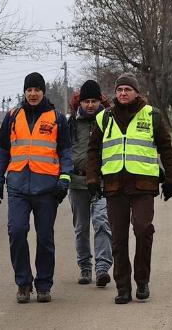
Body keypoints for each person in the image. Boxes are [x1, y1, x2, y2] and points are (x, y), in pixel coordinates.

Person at [85, 73, 172, 305]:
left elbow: (166, 148)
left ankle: (142, 281)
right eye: (119, 90)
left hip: (143, 186)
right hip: (115, 186)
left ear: (136, 92)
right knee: (118, 238)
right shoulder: (104, 119)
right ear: (115, 94)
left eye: (127, 89)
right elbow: (93, 151)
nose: (123, 93)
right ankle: (123, 288)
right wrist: (92, 180)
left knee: (143, 229)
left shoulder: (152, 116)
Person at [0, 72, 73, 304]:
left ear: (43, 92)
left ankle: (44, 284)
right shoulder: (12, 116)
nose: (33, 93)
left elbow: (65, 153)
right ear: (24, 92)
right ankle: (23, 283)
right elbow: (1, 151)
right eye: (29, 90)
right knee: (16, 232)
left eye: (37, 89)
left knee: (45, 238)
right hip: (17, 186)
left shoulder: (57, 118)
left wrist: (64, 180)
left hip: (47, 189)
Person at [67, 80, 113, 287]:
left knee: (102, 223)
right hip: (77, 182)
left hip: (103, 181)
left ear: (100, 101)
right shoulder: (71, 124)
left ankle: (102, 267)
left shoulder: (110, 121)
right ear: (79, 103)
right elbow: (64, 152)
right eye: (86, 101)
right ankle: (85, 267)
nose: (90, 105)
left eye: (94, 101)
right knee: (81, 227)